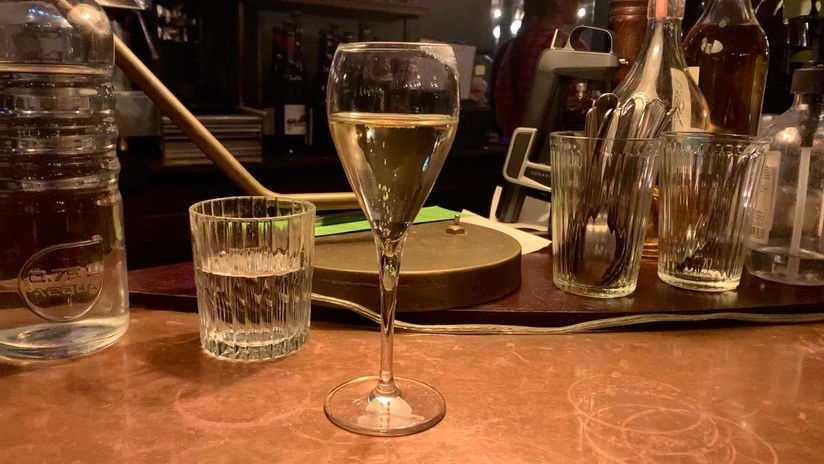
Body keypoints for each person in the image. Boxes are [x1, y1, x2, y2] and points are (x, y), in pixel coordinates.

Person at [491, 0, 582, 138]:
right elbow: (577, 108)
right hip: (550, 151)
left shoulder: (514, 45)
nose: (579, 4)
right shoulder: (566, 45)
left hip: (510, 148)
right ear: (559, 2)